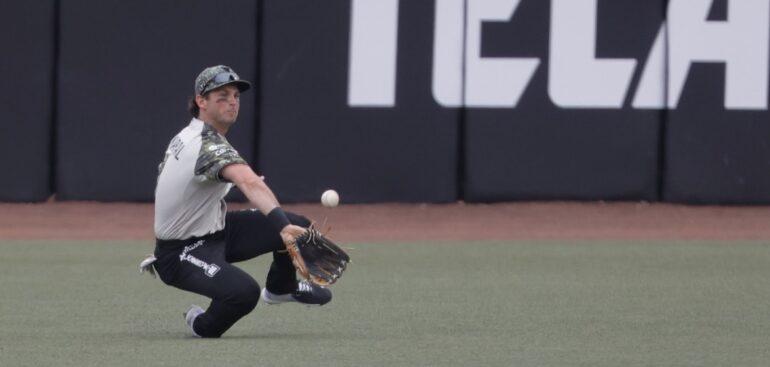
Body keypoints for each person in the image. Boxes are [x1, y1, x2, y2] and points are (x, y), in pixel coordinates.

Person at [151, 65, 331, 338]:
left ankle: (280, 289)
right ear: (201, 101)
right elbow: (249, 182)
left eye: (236, 95)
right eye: (222, 95)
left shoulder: (198, 135)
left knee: (298, 225)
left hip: (216, 229)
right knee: (243, 293)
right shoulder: (205, 145)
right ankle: (200, 324)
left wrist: (281, 223)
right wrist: (279, 224)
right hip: (180, 252)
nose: (232, 101)